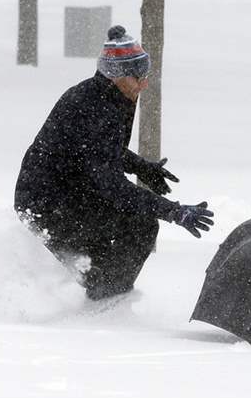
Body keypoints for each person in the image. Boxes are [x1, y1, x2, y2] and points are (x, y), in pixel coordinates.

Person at [14, 25, 214, 301]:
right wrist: (173, 212)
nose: (143, 83)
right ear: (116, 75)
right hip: (47, 202)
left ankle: (101, 292)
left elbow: (101, 150)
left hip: (72, 190)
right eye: (137, 77)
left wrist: (141, 166)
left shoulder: (112, 95)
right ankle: (103, 302)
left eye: (145, 75)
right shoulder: (96, 106)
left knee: (130, 227)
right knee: (138, 225)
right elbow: (112, 186)